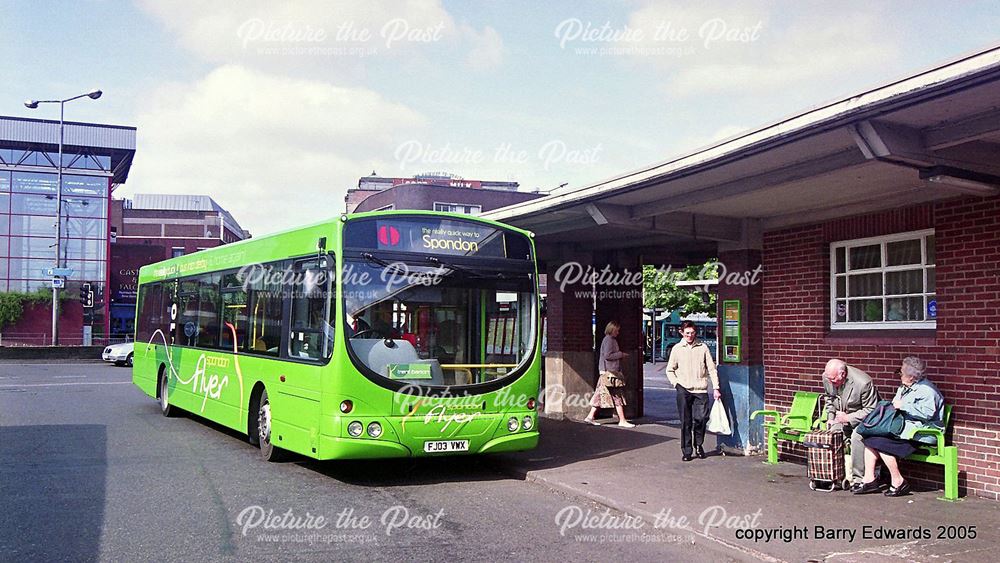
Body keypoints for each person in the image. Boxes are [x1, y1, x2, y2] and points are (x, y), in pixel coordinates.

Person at [853, 356, 945, 497]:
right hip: (903, 430)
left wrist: (904, 406)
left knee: (881, 444)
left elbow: (928, 413)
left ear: (912, 377)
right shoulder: (905, 388)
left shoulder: (927, 391)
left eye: (901, 373)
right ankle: (869, 479)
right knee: (870, 440)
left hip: (921, 433)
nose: (899, 375)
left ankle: (898, 481)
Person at [665, 320, 721, 461]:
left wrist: (716, 387)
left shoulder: (703, 348)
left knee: (701, 419)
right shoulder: (677, 349)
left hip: (700, 390)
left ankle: (699, 444)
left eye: (692, 333)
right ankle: (687, 450)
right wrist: (676, 384)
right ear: (682, 333)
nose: (690, 335)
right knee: (686, 421)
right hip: (683, 389)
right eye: (687, 333)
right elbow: (670, 370)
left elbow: (711, 369)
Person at [822, 359, 880, 487]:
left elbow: (871, 409)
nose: (830, 382)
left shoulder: (863, 382)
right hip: (840, 417)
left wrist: (848, 417)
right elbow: (829, 398)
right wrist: (830, 417)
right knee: (832, 433)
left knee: (856, 437)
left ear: (842, 374)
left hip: (864, 420)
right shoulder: (827, 377)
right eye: (829, 379)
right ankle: (834, 475)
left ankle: (858, 479)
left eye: (833, 379)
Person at [584, 321, 635, 428]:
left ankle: (590, 417)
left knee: (602, 395)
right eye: (617, 330)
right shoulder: (609, 340)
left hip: (607, 373)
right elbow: (607, 355)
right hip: (610, 373)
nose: (618, 332)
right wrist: (620, 354)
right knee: (617, 395)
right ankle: (622, 420)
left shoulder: (608, 340)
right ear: (612, 329)